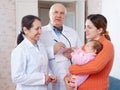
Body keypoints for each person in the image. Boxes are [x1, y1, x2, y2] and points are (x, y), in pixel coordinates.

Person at [64, 14, 114, 90]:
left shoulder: (107, 45)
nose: (85, 30)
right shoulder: (87, 45)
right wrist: (66, 78)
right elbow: (79, 63)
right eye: (85, 26)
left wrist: (71, 69)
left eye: (89, 27)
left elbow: (94, 67)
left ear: (100, 30)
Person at [40, 3, 81, 90]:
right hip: (49, 76)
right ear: (49, 14)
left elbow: (81, 52)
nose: (58, 15)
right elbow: (36, 55)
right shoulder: (41, 32)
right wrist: (52, 50)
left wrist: (73, 55)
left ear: (65, 16)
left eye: (62, 13)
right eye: (55, 12)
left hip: (68, 76)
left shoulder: (72, 32)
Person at [11, 15, 57, 90]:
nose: (40, 32)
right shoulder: (20, 50)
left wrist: (50, 75)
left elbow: (45, 67)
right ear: (26, 30)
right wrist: (42, 78)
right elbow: (16, 77)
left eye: (40, 28)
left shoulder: (41, 46)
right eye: (37, 29)